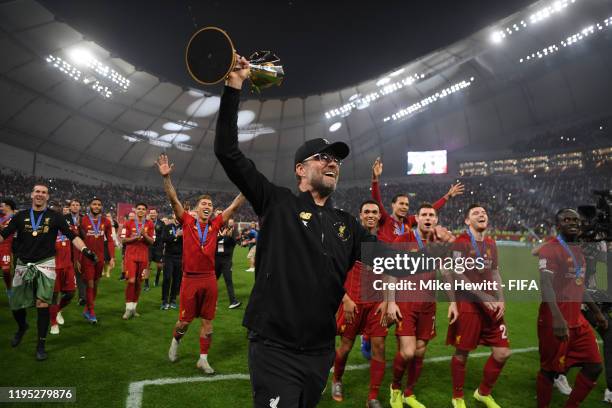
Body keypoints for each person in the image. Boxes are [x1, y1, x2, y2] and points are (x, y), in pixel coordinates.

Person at [214, 57, 385, 407]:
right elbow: (227, 153)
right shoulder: (277, 203)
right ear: (300, 169)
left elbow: (391, 261)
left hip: (320, 352)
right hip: (274, 349)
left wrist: (471, 272)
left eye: (335, 158)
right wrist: (234, 85)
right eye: (323, 157)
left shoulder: (347, 225)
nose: (333, 162)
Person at [157, 153, 244, 374]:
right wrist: (166, 178)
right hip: (189, 279)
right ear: (196, 209)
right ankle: (175, 343)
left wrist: (247, 185)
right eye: (204, 203)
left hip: (209, 279)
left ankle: (203, 359)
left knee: (207, 322)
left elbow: (233, 207)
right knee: (184, 323)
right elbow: (174, 199)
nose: (208, 206)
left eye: (210, 204)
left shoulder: (215, 224)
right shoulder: (187, 221)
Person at [0, 184, 97, 360]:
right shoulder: (20, 216)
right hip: (23, 264)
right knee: (16, 305)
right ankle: (22, 327)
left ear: (47, 196)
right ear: (31, 195)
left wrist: (85, 251)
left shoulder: (55, 217)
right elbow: (4, 234)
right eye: (37, 191)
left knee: (42, 304)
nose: (40, 194)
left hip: (46, 264)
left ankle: (41, 346)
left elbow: (72, 236)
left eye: (43, 192)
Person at [536, 208, 607, 407]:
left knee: (594, 366)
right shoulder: (550, 248)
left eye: (575, 220)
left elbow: (578, 284)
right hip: (554, 319)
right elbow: (546, 284)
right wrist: (558, 319)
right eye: (567, 220)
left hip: (577, 320)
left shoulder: (578, 250)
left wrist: (596, 311)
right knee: (550, 371)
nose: (573, 223)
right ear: (558, 226)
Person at [387, 203, 454, 408]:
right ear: (416, 218)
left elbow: (446, 272)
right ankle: (395, 388)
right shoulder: (403, 239)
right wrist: (390, 302)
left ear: (435, 220)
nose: (427, 218)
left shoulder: (438, 243)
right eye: (424, 214)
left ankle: (409, 393)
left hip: (428, 305)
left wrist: (453, 302)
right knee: (407, 352)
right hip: (406, 303)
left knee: (420, 351)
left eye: (431, 215)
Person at [445, 204, 510, 408]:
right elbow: (456, 273)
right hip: (469, 305)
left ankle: (483, 393)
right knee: (462, 352)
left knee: (502, 353)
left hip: (491, 305)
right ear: (467, 221)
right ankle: (457, 397)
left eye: (484, 212)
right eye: (475, 213)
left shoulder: (491, 243)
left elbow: (495, 272)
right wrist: (481, 295)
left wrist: (501, 298)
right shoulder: (460, 242)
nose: (481, 214)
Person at [331, 200, 388, 407]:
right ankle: (337, 380)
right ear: (360, 215)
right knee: (346, 346)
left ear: (379, 216)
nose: (371, 215)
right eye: (367, 212)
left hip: (376, 304)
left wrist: (388, 302)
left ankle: (373, 397)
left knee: (380, 348)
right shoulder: (347, 241)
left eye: (375, 211)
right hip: (353, 302)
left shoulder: (382, 246)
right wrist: (345, 299)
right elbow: (333, 272)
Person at [370, 157, 463, 242]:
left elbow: (430, 209)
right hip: (385, 258)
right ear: (393, 205)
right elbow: (376, 201)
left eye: (406, 204)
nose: (404, 207)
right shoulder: (385, 219)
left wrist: (447, 196)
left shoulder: (408, 221)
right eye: (401, 203)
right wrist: (375, 178)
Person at [79, 198, 114, 323]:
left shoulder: (106, 222)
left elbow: (110, 240)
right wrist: (78, 258)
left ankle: (87, 309)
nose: (97, 206)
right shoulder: (82, 220)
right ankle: (92, 312)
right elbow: (78, 240)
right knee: (90, 284)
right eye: (94, 204)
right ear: (90, 205)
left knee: (96, 284)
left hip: (100, 258)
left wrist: (112, 257)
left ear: (101, 207)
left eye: (99, 204)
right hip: (87, 257)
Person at [120, 203, 154, 319]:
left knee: (139, 282)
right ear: (135, 210)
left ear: (146, 212)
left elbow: (151, 241)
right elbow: (123, 240)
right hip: (131, 256)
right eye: (139, 209)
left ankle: (134, 308)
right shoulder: (128, 223)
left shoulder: (150, 224)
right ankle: (128, 309)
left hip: (143, 256)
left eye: (143, 209)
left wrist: (144, 235)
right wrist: (135, 237)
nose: (141, 211)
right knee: (131, 281)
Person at [49, 228, 75, 335]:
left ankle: (58, 310)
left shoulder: (68, 229)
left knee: (71, 293)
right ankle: (53, 323)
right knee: (54, 296)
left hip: (68, 267)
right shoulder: (48, 230)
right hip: (54, 267)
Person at [215, 215, 241, 309]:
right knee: (212, 281)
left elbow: (235, 242)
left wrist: (229, 237)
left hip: (226, 260)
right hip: (216, 259)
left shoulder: (233, 231)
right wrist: (222, 236)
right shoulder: (216, 229)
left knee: (228, 281)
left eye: (230, 222)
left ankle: (233, 301)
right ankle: (210, 301)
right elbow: (212, 241)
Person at [66, 199, 86, 306]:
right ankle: (65, 293)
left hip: (79, 249)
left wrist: (79, 227)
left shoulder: (84, 219)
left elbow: (85, 236)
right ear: (69, 207)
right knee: (66, 272)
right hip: (67, 249)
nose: (75, 206)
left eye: (77, 205)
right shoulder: (64, 219)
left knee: (80, 272)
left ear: (80, 207)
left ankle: (82, 297)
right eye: (73, 205)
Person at [160, 213, 182, 310]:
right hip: (169, 256)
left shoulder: (185, 227)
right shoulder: (168, 227)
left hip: (180, 257)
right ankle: (164, 301)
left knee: (177, 279)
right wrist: (176, 235)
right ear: (173, 215)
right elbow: (164, 239)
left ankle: (173, 300)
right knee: (167, 278)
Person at [0, 198, 16, 296]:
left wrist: (2, 227)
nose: (1, 208)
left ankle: (9, 289)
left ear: (8, 206)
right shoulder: (1, 217)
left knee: (6, 270)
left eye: (2, 206)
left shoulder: (14, 217)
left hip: (7, 246)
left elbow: (11, 230)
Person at [146, 208, 164, 290]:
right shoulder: (146, 223)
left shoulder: (161, 223)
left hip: (158, 247)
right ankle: (146, 284)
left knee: (160, 266)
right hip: (149, 247)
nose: (152, 214)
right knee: (147, 265)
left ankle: (156, 280)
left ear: (157, 214)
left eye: (154, 213)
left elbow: (163, 236)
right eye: (151, 213)